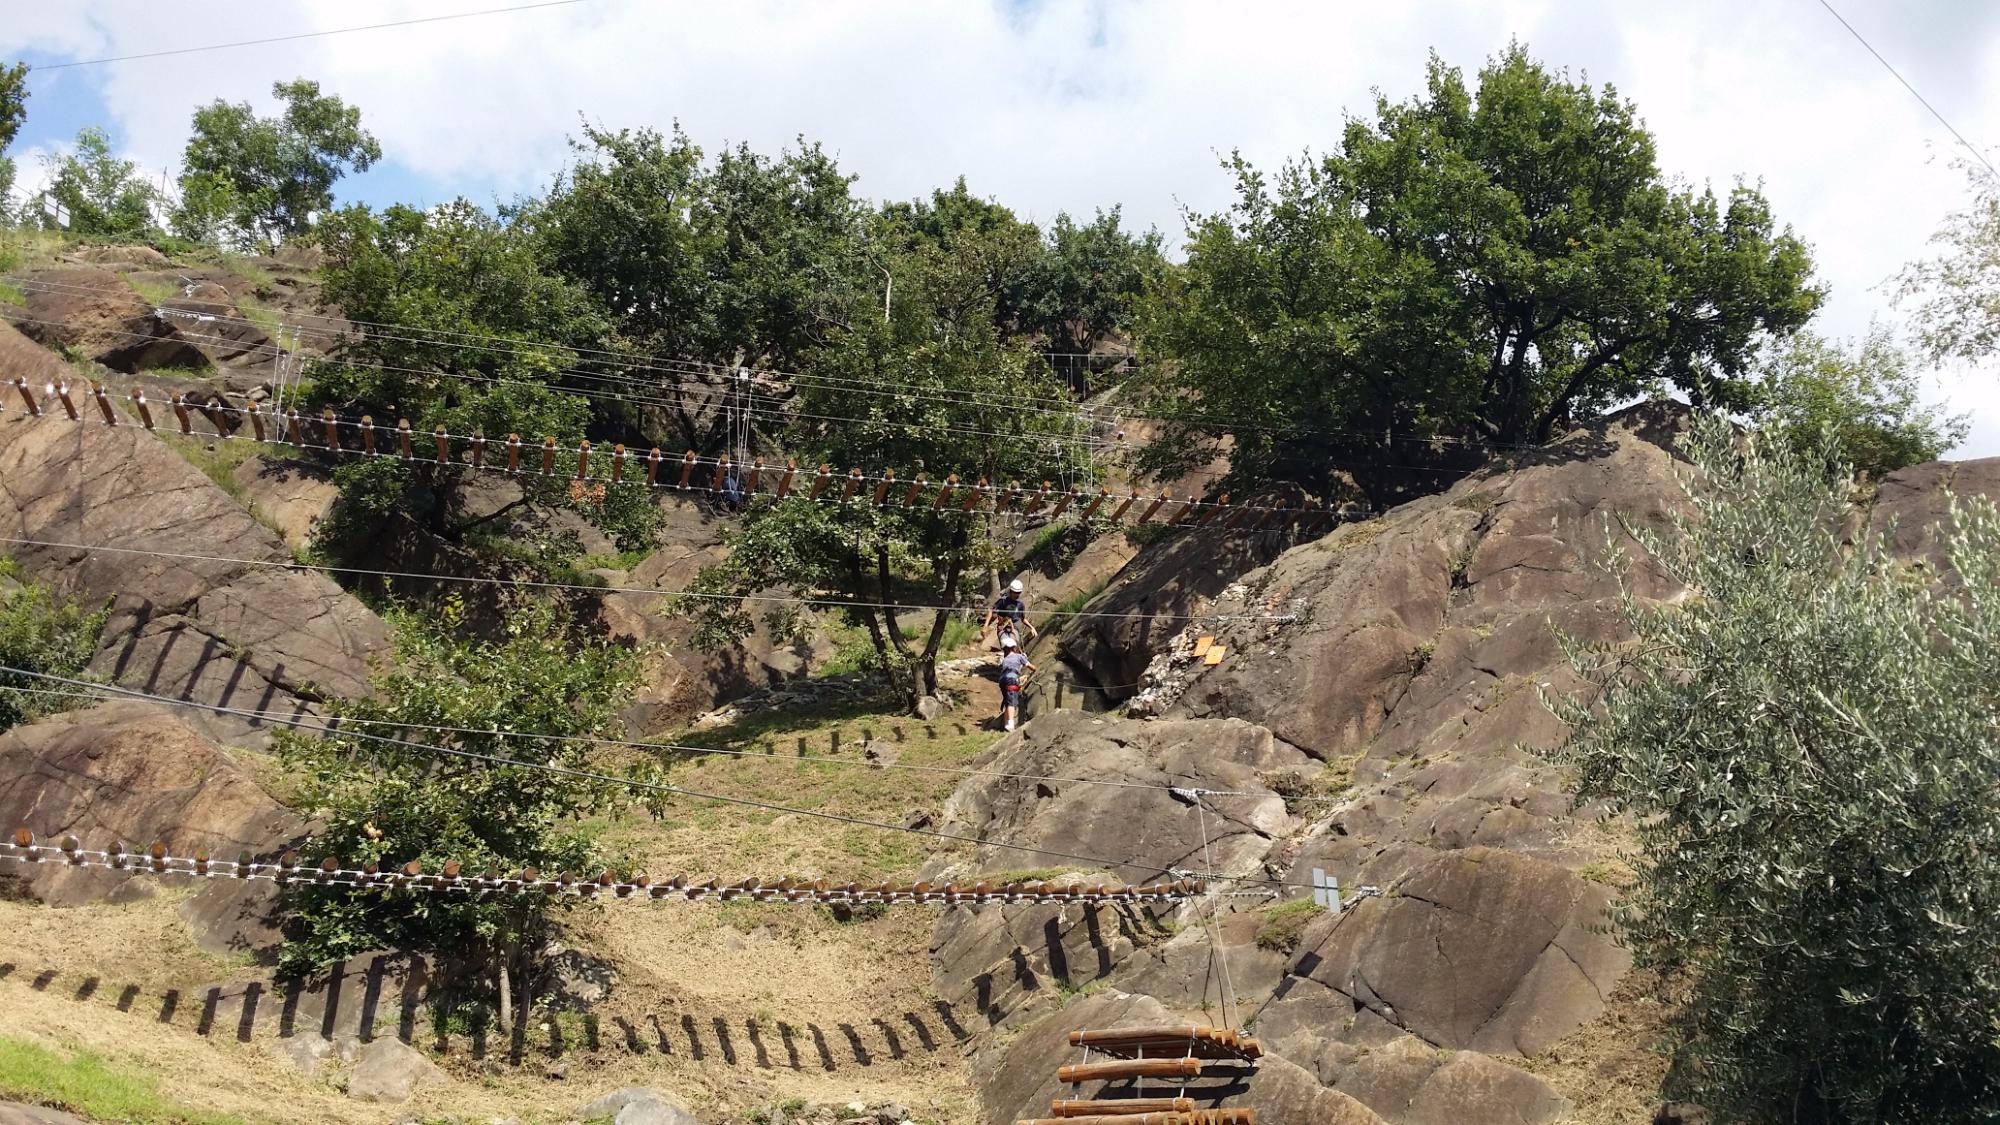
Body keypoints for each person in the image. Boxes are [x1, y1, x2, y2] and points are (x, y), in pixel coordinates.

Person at [984, 578, 1038, 648]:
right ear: (1011, 591)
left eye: (1018, 593)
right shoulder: (1003, 601)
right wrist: (985, 625)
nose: (1017, 595)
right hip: (1002, 627)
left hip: (1014, 628)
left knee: (1014, 645)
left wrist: (1031, 627)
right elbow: (991, 610)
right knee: (1006, 645)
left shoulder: (1020, 604)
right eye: (1015, 592)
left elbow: (1023, 619)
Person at [996, 636, 1035, 732]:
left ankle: (1006, 725)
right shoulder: (1019, 656)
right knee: (1012, 702)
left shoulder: (1005, 659)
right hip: (1011, 679)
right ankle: (1011, 724)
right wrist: (1035, 669)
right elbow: (1031, 667)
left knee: (1007, 702)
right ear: (1014, 647)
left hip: (1002, 681)